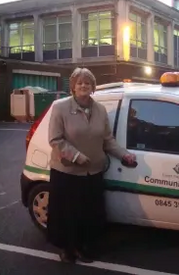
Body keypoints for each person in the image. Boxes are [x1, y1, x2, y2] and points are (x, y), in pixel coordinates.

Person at [47, 67, 136, 263]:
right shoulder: (60, 108)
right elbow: (55, 139)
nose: (83, 85)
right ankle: (68, 250)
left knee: (89, 214)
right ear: (73, 86)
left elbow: (108, 140)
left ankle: (83, 247)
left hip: (93, 172)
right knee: (68, 214)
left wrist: (125, 155)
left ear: (93, 87)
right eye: (79, 82)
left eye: (87, 82)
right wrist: (77, 156)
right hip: (67, 172)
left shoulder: (100, 110)